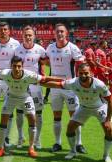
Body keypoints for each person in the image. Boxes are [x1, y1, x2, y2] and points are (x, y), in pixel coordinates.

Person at [0, 56, 63, 157]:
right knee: (4, 120)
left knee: (32, 119)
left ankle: (31, 147)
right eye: (14, 66)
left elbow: (45, 79)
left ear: (22, 66)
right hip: (11, 98)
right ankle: (1, 148)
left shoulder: (29, 75)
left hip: (25, 98)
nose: (17, 69)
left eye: (19, 66)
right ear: (11, 66)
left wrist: (62, 80)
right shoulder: (5, 73)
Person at [43, 63, 112, 162]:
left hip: (100, 107)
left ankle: (106, 156)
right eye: (81, 73)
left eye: (86, 73)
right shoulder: (74, 82)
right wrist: (40, 83)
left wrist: (108, 119)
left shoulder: (99, 84)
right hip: (84, 107)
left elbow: (110, 101)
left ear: (91, 73)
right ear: (77, 73)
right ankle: (73, 151)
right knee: (70, 128)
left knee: (109, 130)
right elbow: (58, 85)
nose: (83, 75)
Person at [45, 23, 86, 153]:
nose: (60, 34)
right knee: (57, 116)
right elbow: (45, 61)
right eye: (57, 31)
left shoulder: (73, 48)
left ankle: (79, 144)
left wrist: (79, 82)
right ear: (54, 33)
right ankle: (57, 143)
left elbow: (81, 65)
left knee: (75, 116)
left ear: (66, 33)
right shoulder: (50, 48)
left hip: (70, 88)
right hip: (55, 88)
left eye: (62, 31)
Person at [14, 25, 47, 149]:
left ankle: (37, 139)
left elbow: (44, 62)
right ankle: (20, 137)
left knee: (37, 113)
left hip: (35, 86)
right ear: (22, 36)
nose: (28, 37)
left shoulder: (40, 50)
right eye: (26, 35)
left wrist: (42, 75)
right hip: (20, 86)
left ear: (34, 36)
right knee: (20, 112)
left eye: (30, 35)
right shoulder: (17, 50)